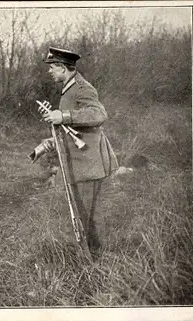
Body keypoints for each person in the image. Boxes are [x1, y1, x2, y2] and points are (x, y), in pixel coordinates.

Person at [40, 47, 119, 257]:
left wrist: (63, 116)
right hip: (78, 164)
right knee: (81, 213)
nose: (50, 72)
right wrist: (53, 138)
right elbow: (74, 127)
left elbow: (98, 114)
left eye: (53, 68)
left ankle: (94, 261)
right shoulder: (69, 87)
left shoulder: (82, 88)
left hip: (88, 164)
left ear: (63, 68)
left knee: (86, 215)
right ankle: (89, 257)